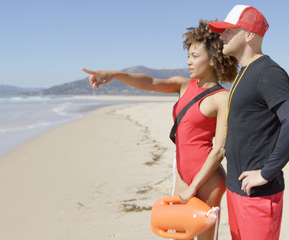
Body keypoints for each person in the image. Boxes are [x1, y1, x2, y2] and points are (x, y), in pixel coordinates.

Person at [81, 19, 238, 240]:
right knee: (177, 234)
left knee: (205, 238)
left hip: (207, 180)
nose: (189, 62)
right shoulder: (184, 85)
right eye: (188, 56)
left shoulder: (222, 98)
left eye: (195, 56)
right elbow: (151, 82)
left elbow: (219, 150)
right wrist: (115, 74)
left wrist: (194, 186)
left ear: (213, 60)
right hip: (183, 175)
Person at [208, 5, 289, 240]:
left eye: (229, 30)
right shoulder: (244, 72)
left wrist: (267, 172)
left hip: (258, 194)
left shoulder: (268, 72)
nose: (222, 36)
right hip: (238, 188)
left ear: (249, 34)